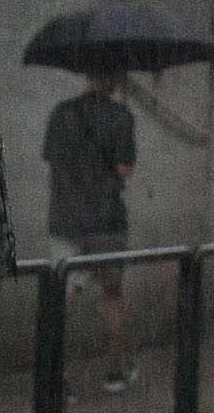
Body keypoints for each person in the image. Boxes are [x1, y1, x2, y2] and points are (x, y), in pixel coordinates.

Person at [40, 68, 140, 393]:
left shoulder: (60, 113)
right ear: (116, 80)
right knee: (112, 296)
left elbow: (53, 161)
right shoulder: (121, 117)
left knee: (62, 298)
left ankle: (56, 377)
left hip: (66, 219)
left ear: (87, 76)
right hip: (106, 220)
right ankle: (115, 373)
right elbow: (125, 168)